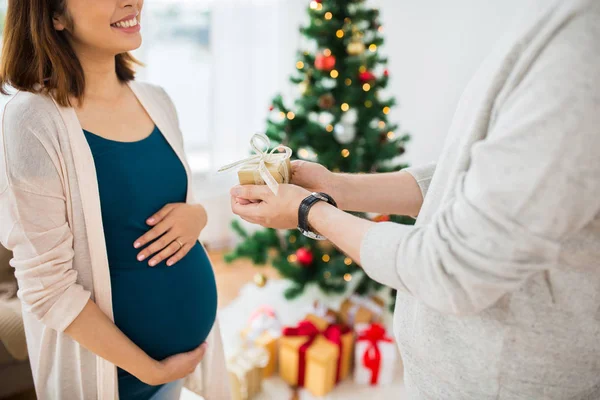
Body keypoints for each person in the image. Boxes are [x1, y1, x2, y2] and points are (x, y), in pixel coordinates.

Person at [230, 0, 600, 398]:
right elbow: (468, 176)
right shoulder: (552, 21)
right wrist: (337, 187)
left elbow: (453, 268)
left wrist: (309, 211)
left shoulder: (579, 52)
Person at [0, 1, 230, 399]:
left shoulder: (157, 100)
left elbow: (173, 206)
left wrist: (200, 215)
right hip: (115, 381)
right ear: (54, 15)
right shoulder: (31, 120)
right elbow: (47, 289)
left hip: (179, 367)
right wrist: (151, 370)